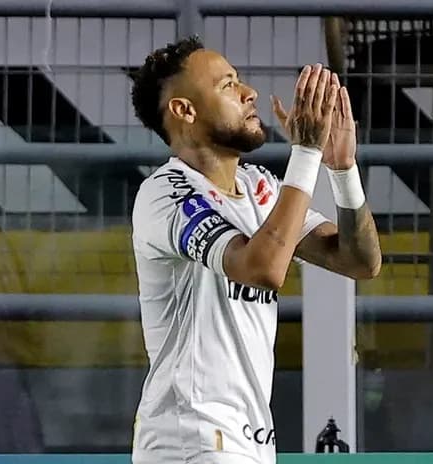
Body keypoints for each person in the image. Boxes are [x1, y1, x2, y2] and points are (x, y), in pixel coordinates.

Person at [129, 36, 381, 464]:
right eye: (228, 85)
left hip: (246, 443)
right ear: (184, 110)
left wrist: (341, 169)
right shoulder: (166, 195)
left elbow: (359, 260)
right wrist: (304, 153)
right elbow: (261, 267)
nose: (249, 93)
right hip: (190, 441)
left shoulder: (257, 187)